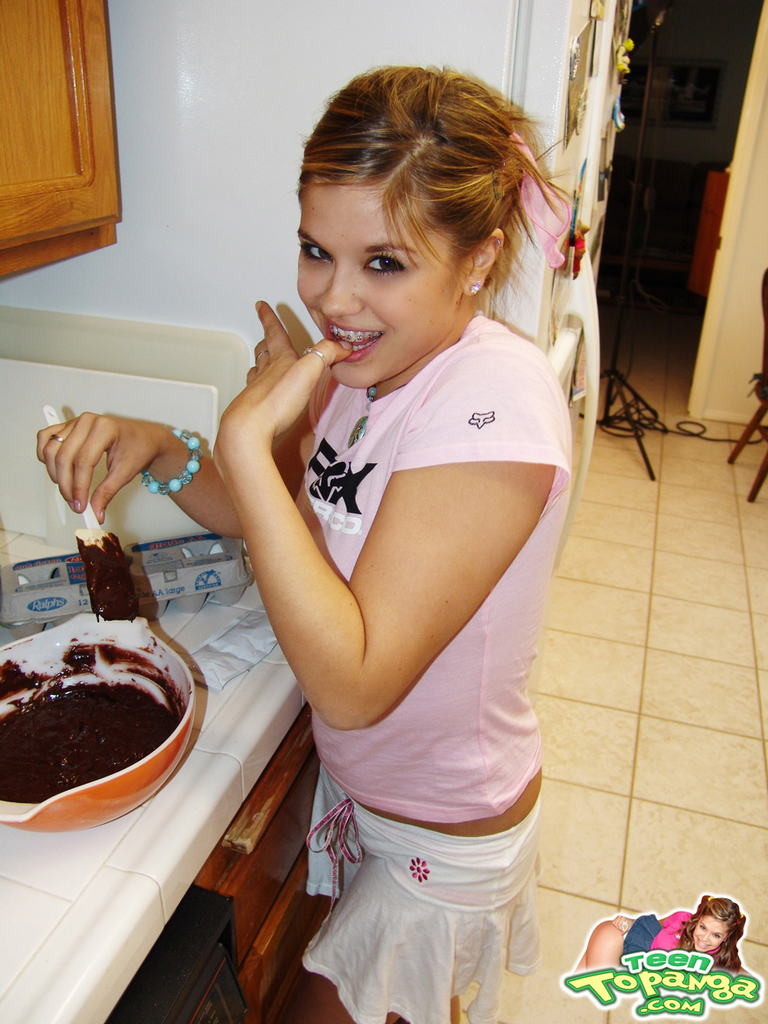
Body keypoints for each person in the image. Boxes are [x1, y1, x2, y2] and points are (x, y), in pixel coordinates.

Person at [38, 66, 572, 1024]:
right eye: (315, 251)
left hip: (440, 837)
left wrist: (247, 440)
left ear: (480, 259)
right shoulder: (376, 366)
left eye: (384, 263)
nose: (336, 298)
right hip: (369, 794)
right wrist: (164, 449)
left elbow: (355, 681)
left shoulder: (492, 408)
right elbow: (286, 515)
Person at [576, 894, 746, 974]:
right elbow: (654, 925)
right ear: (698, 920)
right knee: (588, 987)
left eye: (716, 935)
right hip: (630, 941)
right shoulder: (682, 920)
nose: (704, 938)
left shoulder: (720, 961)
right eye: (703, 927)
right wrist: (629, 922)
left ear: (726, 938)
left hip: (635, 970)